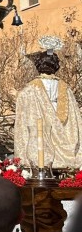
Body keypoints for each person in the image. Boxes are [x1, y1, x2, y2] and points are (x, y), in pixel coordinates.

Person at [14, 37, 82, 168]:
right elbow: (76, 120)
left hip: (41, 146)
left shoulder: (28, 91)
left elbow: (23, 121)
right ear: (56, 66)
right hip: (66, 143)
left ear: (38, 66)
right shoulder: (66, 89)